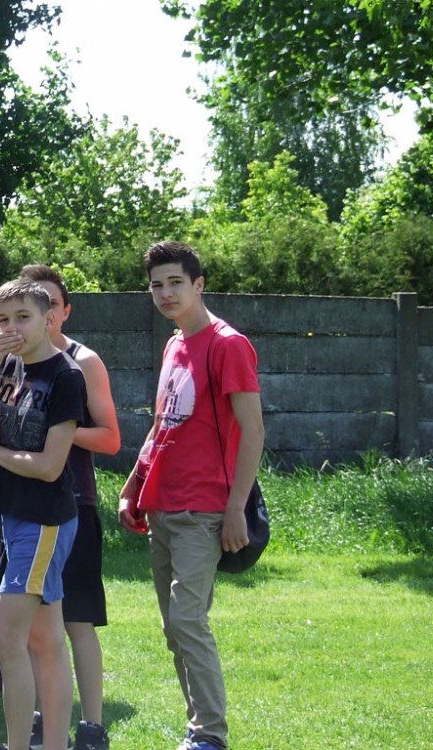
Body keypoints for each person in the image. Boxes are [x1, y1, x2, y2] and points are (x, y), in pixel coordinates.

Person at [117, 241, 264, 750]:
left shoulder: (228, 345)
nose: (165, 293)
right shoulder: (174, 344)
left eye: (175, 282)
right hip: (162, 505)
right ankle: (197, 728)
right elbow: (163, 425)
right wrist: (134, 485)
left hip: (206, 509)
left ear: (199, 285)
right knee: (173, 627)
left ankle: (210, 736)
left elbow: (253, 430)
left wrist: (235, 508)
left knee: (187, 620)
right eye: (156, 285)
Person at [0, 278, 86, 750]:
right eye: (3, 319)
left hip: (44, 520)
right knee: (45, 641)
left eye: (23, 317)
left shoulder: (67, 376)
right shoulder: (3, 366)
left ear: (49, 319)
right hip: (13, 517)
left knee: (3, 636)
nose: (12, 328)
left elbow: (50, 467)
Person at [18, 265, 120, 750]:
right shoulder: (13, 360)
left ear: (64, 311)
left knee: (78, 621)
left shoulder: (84, 361)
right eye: (34, 305)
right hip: (24, 507)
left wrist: (58, 427)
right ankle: (41, 719)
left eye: (52, 305)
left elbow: (111, 439)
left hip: (75, 504)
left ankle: (92, 726)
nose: (45, 314)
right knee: (33, 625)